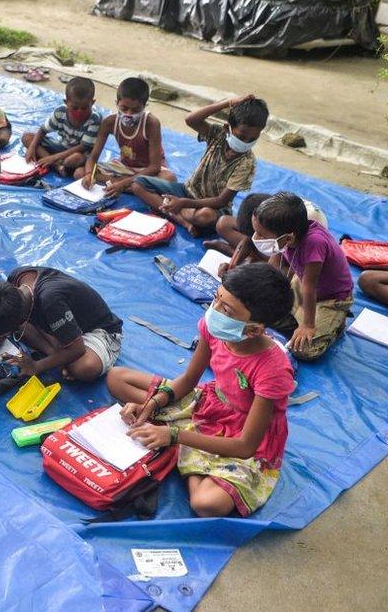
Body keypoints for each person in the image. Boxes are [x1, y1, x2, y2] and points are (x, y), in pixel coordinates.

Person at [107, 263, 295, 518]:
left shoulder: (272, 369)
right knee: (117, 379)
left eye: (226, 309)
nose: (213, 311)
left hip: (244, 430)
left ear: (254, 329)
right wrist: (154, 403)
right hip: (210, 402)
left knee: (206, 504)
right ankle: (185, 442)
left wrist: (174, 436)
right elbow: (188, 380)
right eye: (217, 298)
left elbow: (245, 446)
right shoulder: (213, 328)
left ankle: (183, 450)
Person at [131, 95, 268, 236]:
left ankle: (174, 207)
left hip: (212, 207)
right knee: (138, 184)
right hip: (187, 190)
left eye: (253, 138)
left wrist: (184, 203)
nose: (246, 142)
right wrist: (226, 103)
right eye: (241, 136)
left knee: (205, 216)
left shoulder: (247, 162)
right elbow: (191, 119)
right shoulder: (218, 135)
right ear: (228, 129)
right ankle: (182, 220)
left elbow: (222, 200)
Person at [0, 267, 123, 382]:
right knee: (23, 332)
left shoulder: (51, 301)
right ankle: (59, 354)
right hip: (58, 324)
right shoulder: (18, 281)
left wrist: (36, 367)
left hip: (98, 330)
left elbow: (78, 349)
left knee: (84, 368)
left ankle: (60, 354)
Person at [252, 192, 354, 361]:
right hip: (302, 285)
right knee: (260, 313)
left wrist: (308, 325)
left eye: (262, 235)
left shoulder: (315, 242)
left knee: (303, 350)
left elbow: (310, 287)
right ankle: (298, 319)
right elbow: (272, 268)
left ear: (289, 237)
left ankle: (335, 322)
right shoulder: (288, 235)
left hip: (330, 298)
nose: (257, 238)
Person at [83, 77, 175, 198]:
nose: (129, 114)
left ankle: (122, 185)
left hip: (149, 171)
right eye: (124, 108)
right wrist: (89, 174)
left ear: (144, 106)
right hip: (124, 166)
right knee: (81, 172)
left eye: (135, 110)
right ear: (117, 104)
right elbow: (93, 157)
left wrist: (123, 183)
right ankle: (134, 188)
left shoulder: (151, 124)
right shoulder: (109, 122)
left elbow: (155, 166)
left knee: (169, 178)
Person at [22, 76, 101, 177]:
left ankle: (55, 163)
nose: (79, 112)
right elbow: (43, 130)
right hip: (61, 148)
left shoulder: (95, 119)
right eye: (75, 108)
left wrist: (54, 157)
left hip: (80, 154)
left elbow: (83, 147)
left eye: (84, 108)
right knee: (28, 137)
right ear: (66, 102)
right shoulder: (60, 112)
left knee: (74, 160)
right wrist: (32, 148)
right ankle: (58, 167)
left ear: (92, 103)